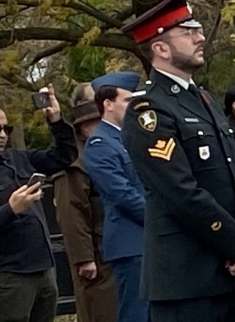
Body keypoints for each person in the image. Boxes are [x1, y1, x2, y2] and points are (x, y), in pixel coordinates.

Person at [120, 0, 235, 321]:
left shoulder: (203, 100)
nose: (200, 37)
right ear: (160, 48)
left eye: (198, 29)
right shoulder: (149, 109)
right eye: (188, 32)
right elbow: (180, 191)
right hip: (186, 278)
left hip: (232, 273)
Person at [0, 95, 78, 322]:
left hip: (42, 268)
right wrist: (10, 209)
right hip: (9, 275)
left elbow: (64, 156)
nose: (2, 134)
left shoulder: (18, 158)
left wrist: (56, 121)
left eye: (6, 128)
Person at [86, 72, 149, 322]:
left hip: (148, 239)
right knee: (137, 312)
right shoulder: (100, 143)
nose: (133, 107)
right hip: (131, 241)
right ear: (108, 104)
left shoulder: (133, 138)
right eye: (127, 101)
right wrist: (159, 217)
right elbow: (122, 193)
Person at [56, 83, 119, 322]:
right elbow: (70, 211)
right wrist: (84, 258)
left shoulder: (111, 150)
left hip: (116, 247)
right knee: (102, 311)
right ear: (84, 124)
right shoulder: (75, 160)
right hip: (98, 256)